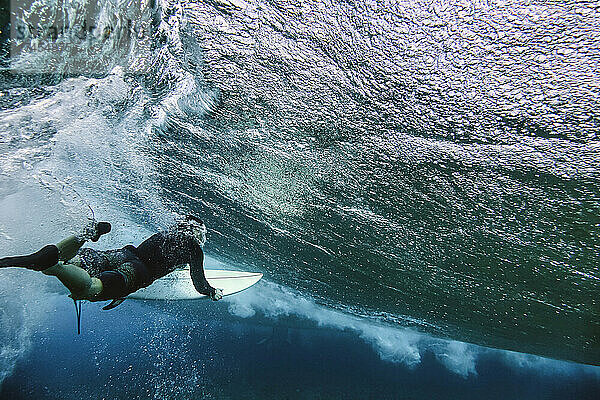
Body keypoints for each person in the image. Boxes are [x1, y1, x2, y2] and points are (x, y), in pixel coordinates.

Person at [0, 215, 223, 308]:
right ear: (197, 233)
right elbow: (199, 284)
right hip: (137, 272)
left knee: (76, 261)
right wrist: (212, 292)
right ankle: (55, 266)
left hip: (124, 254)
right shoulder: (193, 248)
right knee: (90, 289)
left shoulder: (166, 234)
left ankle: (81, 238)